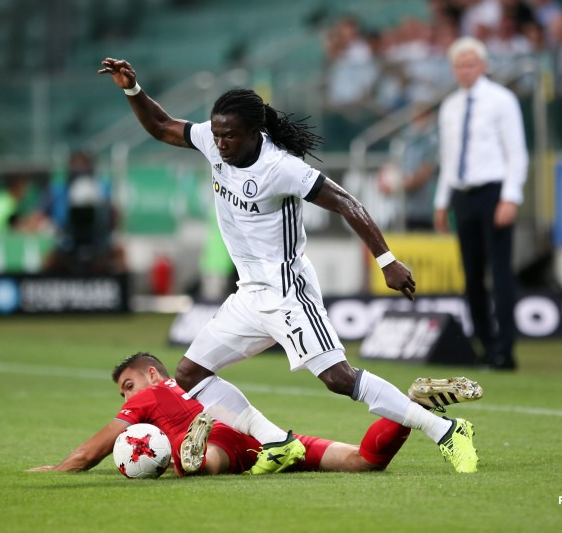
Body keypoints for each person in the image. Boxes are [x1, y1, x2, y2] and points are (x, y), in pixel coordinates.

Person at [98, 57, 480, 474]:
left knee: (338, 379)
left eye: (229, 136)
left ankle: (446, 430)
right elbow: (161, 126)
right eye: (217, 134)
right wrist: (132, 89)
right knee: (190, 374)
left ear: (254, 133)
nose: (220, 144)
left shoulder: (281, 168)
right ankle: (276, 442)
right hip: (249, 294)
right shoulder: (213, 138)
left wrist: (387, 261)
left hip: (287, 293)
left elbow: (347, 203)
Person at [28, 353, 481, 475]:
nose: (125, 398)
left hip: (221, 441)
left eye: (127, 385)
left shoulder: (149, 397)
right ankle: (414, 406)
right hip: (260, 442)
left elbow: (91, 451)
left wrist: (57, 470)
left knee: (199, 464)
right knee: (365, 460)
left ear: (151, 374)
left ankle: (193, 453)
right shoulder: (189, 386)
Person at [433, 37, 528, 370]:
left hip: (493, 191)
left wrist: (510, 196)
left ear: (483, 66)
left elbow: (516, 152)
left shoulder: (502, 100)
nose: (465, 70)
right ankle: (485, 346)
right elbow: (448, 157)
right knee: (471, 275)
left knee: (499, 272)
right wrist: (442, 201)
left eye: (471, 64)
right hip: (463, 194)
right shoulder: (450, 106)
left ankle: (506, 349)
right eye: (460, 65)